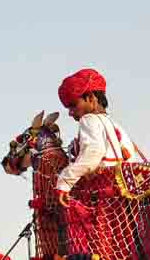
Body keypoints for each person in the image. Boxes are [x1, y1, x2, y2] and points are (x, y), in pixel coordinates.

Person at [53, 69, 142, 207]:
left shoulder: (88, 120)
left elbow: (93, 152)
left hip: (104, 199)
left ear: (90, 98)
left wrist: (64, 182)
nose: (70, 113)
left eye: (73, 105)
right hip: (126, 199)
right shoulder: (116, 125)